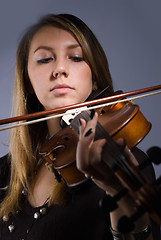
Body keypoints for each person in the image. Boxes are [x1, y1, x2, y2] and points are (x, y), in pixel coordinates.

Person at [0, 13, 160, 240]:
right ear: (27, 80)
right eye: (45, 59)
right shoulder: (5, 172)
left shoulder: (130, 161)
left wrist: (118, 191)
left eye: (75, 57)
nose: (60, 69)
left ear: (94, 77)